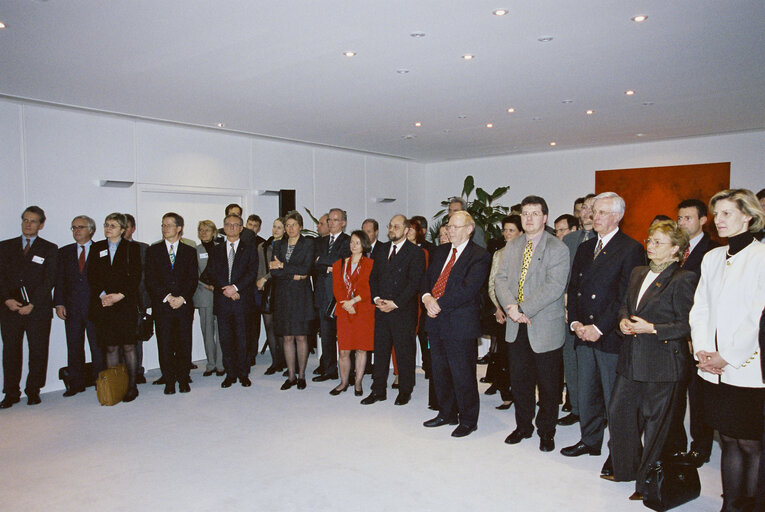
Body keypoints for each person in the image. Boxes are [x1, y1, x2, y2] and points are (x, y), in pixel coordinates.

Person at [604, 220, 696, 501]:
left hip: (662, 362)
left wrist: (653, 328)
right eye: (650, 240)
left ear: (675, 250)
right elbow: (625, 305)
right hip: (631, 358)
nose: (651, 247)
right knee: (619, 413)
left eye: (658, 243)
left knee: (656, 425)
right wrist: (622, 321)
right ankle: (626, 468)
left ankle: (646, 482)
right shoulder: (637, 272)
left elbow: (687, 324)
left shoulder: (683, 278)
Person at [690, 189, 765, 511]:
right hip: (713, 367)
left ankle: (752, 504)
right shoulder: (712, 257)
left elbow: (757, 316)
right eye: (716, 214)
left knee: (751, 442)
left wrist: (727, 355)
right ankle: (731, 503)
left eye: (727, 214)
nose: (718, 220)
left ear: (747, 216)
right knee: (729, 439)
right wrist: (704, 351)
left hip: (748, 366)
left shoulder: (761, 257)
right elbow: (701, 307)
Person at [561, 192, 644, 481]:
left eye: (601, 212)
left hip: (608, 336)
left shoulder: (630, 248)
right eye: (593, 212)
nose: (594, 217)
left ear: (618, 216)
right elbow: (575, 289)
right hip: (583, 331)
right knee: (587, 392)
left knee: (615, 400)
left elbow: (625, 296)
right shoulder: (585, 248)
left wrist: (599, 328)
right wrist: (575, 323)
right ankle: (590, 440)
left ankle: (617, 453)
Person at [495, 196, 569, 452]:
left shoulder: (557, 247)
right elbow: (500, 280)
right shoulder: (513, 246)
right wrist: (512, 309)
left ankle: (546, 431)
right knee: (521, 381)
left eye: (534, 213)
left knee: (549, 385)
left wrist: (524, 308)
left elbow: (555, 286)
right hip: (517, 326)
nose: (528, 218)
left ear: (545, 217)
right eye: (525, 213)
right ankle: (523, 426)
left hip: (545, 326)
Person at [421, 211, 491, 438]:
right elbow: (427, 279)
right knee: (440, 371)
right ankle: (446, 413)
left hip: (460, 323)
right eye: (449, 226)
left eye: (455, 227)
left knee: (463, 373)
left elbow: (468, 290)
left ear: (469, 229)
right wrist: (426, 298)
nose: (450, 230)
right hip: (435, 321)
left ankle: (469, 419)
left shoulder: (479, 255)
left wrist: (437, 303)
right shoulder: (440, 251)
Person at [665, 198, 719, 466]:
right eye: (680, 218)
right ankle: (676, 444)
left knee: (699, 397)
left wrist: (694, 336)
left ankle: (701, 447)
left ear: (703, 220)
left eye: (688, 218)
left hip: (697, 337)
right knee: (675, 394)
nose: (682, 223)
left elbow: (710, 300)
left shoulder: (714, 251)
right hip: (671, 333)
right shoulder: (674, 251)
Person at [363, 215, 426, 406]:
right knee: (380, 351)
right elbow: (373, 278)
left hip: (402, 310)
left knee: (404, 352)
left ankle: (405, 390)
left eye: (397, 226)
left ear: (406, 230)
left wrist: (395, 303)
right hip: (381, 309)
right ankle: (378, 390)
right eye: (390, 226)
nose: (392, 229)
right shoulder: (381, 250)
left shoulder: (415, 253)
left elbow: (415, 283)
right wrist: (376, 299)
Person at [0, 206, 58, 408]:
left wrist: (33, 304)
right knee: (10, 352)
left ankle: (33, 390)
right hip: (10, 310)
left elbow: (49, 280)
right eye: (25, 220)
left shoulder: (50, 249)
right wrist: (7, 299)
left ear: (41, 224)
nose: (28, 224)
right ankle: (11, 393)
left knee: (38, 351)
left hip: (38, 310)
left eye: (33, 221)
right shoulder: (4, 247)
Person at [87, 213, 142, 402]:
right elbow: (91, 275)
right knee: (110, 347)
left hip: (124, 303)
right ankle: (114, 386)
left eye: (113, 225)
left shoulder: (131, 248)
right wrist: (103, 295)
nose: (108, 228)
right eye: (106, 225)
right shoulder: (97, 248)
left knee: (128, 346)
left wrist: (119, 295)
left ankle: (132, 386)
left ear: (122, 229)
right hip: (104, 304)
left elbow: (135, 276)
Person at [145, 213, 198, 395]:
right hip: (163, 305)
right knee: (165, 343)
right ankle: (169, 380)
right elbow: (150, 279)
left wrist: (182, 298)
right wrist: (168, 297)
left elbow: (192, 279)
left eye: (168, 225)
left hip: (183, 305)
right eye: (163, 225)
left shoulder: (190, 251)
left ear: (179, 228)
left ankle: (183, 379)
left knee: (184, 343)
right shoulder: (153, 251)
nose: (165, 228)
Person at [207, 213, 259, 388]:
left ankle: (244, 373)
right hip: (223, 301)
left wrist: (236, 288)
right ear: (223, 227)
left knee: (243, 339)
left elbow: (251, 273)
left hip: (242, 300)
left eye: (235, 225)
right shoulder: (215, 250)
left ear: (241, 228)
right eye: (228, 224)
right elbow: (212, 273)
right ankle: (230, 373)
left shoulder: (250, 248)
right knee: (226, 339)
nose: (231, 228)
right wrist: (227, 290)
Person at [54, 215, 104, 396]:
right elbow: (59, 280)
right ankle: (76, 383)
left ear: (91, 230)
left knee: (97, 347)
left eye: (81, 227)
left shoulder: (101, 249)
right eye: (74, 227)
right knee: (74, 346)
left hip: (95, 307)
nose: (76, 230)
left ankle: (101, 382)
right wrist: (59, 303)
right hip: (72, 308)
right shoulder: (64, 252)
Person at [558, 193, 596, 426]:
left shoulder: (608, 241)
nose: (587, 212)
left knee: (593, 367)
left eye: (593, 208)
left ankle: (595, 413)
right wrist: (563, 301)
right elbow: (562, 274)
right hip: (567, 310)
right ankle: (577, 408)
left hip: (595, 316)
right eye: (584, 208)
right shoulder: (570, 240)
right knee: (570, 362)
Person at [270, 211, 315, 390]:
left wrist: (283, 266)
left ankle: (302, 375)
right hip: (283, 295)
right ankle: (290, 376)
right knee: (287, 337)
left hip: (301, 297)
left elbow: (306, 269)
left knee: (301, 337)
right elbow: (273, 271)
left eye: (293, 225)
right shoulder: (278, 244)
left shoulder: (308, 244)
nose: (290, 228)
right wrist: (293, 274)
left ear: (301, 227)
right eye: (287, 225)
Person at [484, 215, 523, 409]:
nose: (507, 234)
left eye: (511, 230)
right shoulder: (498, 254)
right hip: (501, 313)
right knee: (503, 356)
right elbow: (492, 284)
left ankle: (521, 393)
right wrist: (498, 308)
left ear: (521, 232)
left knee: (520, 357)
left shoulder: (527, 253)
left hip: (521, 312)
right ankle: (506, 394)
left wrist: (516, 309)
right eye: (505, 230)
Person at [331, 230, 375, 396]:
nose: (353, 245)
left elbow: (370, 288)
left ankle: (358, 382)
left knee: (361, 350)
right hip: (344, 310)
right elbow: (337, 288)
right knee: (343, 350)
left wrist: (354, 301)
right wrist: (346, 303)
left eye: (357, 242)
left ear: (364, 244)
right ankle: (343, 382)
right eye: (351, 242)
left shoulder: (371, 264)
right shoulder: (339, 264)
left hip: (363, 311)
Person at [312, 208, 350, 382]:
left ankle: (349, 371)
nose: (331, 223)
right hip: (322, 294)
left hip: (340, 296)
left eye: (335, 220)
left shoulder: (348, 241)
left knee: (344, 336)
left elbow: (343, 261)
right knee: (326, 335)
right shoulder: (320, 242)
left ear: (343, 223)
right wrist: (328, 264)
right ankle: (329, 370)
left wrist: (325, 262)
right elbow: (314, 263)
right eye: (329, 220)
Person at [256, 217, 287, 375]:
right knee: (269, 326)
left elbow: (281, 269)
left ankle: (284, 360)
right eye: (274, 226)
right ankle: (275, 362)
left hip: (281, 287)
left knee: (280, 326)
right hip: (266, 289)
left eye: (279, 227)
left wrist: (265, 278)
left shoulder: (287, 245)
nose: (276, 230)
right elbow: (260, 267)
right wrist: (260, 281)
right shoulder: (263, 245)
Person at [194, 220, 224, 377]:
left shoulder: (221, 248)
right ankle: (210, 364)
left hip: (220, 294)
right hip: (204, 295)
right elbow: (193, 273)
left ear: (214, 233)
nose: (203, 233)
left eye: (207, 230)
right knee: (207, 331)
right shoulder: (195, 250)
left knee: (221, 330)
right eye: (200, 230)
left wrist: (217, 286)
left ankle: (220, 364)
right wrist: (207, 285)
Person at [123, 213, 150, 384]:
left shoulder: (143, 248)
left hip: (137, 301)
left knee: (136, 338)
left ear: (133, 228)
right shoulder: (108, 248)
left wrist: (146, 301)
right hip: (115, 303)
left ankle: (137, 371)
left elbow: (147, 276)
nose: (123, 229)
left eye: (126, 226)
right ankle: (120, 374)